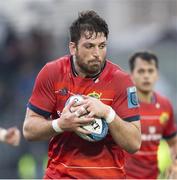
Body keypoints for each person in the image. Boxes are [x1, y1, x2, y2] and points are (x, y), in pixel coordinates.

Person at [23, 10, 141, 179]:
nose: (97, 54)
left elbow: (134, 143)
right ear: (73, 47)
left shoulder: (121, 81)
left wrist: (108, 113)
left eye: (102, 46)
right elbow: (29, 130)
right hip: (61, 175)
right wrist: (60, 125)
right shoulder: (52, 73)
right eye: (89, 46)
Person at [125, 51, 177, 179]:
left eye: (150, 71)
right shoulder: (121, 104)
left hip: (152, 177)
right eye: (141, 71)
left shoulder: (165, 105)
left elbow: (173, 142)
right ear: (131, 75)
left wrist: (175, 164)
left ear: (157, 75)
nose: (146, 76)